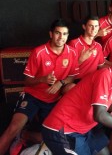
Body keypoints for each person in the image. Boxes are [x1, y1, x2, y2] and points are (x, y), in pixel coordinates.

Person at [41, 52, 112, 155]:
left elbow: (104, 105)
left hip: (80, 130)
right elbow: (99, 115)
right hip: (62, 130)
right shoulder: (105, 75)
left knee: (104, 153)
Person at [0, 19, 79, 155]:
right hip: (33, 96)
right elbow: (27, 81)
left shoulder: (72, 52)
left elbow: (72, 76)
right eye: (58, 33)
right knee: (13, 128)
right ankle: (18, 135)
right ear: (51, 34)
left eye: (65, 34)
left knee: (58, 139)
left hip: (54, 100)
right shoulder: (39, 52)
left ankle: (25, 135)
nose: (61, 37)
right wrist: (43, 79)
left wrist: (60, 82)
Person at [68, 15, 105, 79]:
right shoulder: (74, 44)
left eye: (96, 26)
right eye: (91, 26)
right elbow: (66, 69)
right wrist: (80, 60)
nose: (94, 29)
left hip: (92, 81)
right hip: (77, 81)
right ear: (84, 27)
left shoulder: (98, 46)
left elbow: (101, 66)